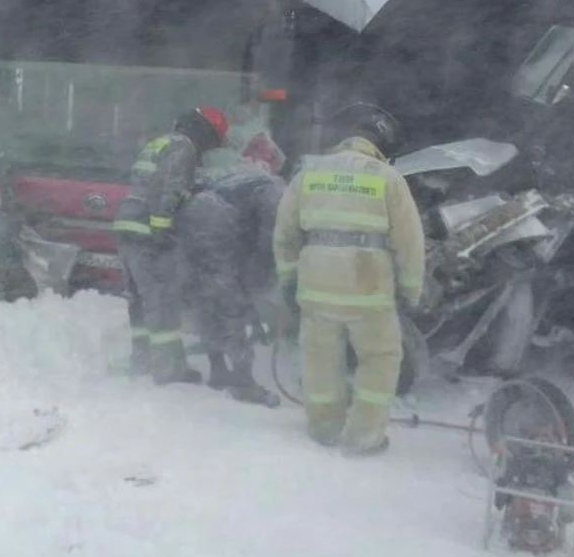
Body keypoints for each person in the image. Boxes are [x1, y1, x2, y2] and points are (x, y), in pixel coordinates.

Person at [272, 102, 426, 455]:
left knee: (320, 359)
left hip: (316, 286)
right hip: (368, 289)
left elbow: (284, 234)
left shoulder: (308, 174)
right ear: (378, 144)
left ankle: (324, 427)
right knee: (380, 358)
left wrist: (288, 279)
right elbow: (409, 241)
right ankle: (364, 437)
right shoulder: (387, 178)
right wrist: (410, 289)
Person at [114, 106, 230, 385]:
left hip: (127, 226)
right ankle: (168, 370)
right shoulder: (184, 148)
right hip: (148, 232)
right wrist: (162, 231)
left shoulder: (160, 142)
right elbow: (170, 189)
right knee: (162, 301)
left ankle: (141, 360)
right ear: (204, 133)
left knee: (139, 302)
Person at [177, 168, 285, 407]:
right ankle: (244, 383)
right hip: (214, 221)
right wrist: (258, 282)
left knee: (208, 296)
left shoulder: (250, 179)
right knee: (232, 303)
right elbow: (267, 244)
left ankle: (218, 369)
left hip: (193, 214)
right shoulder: (280, 194)